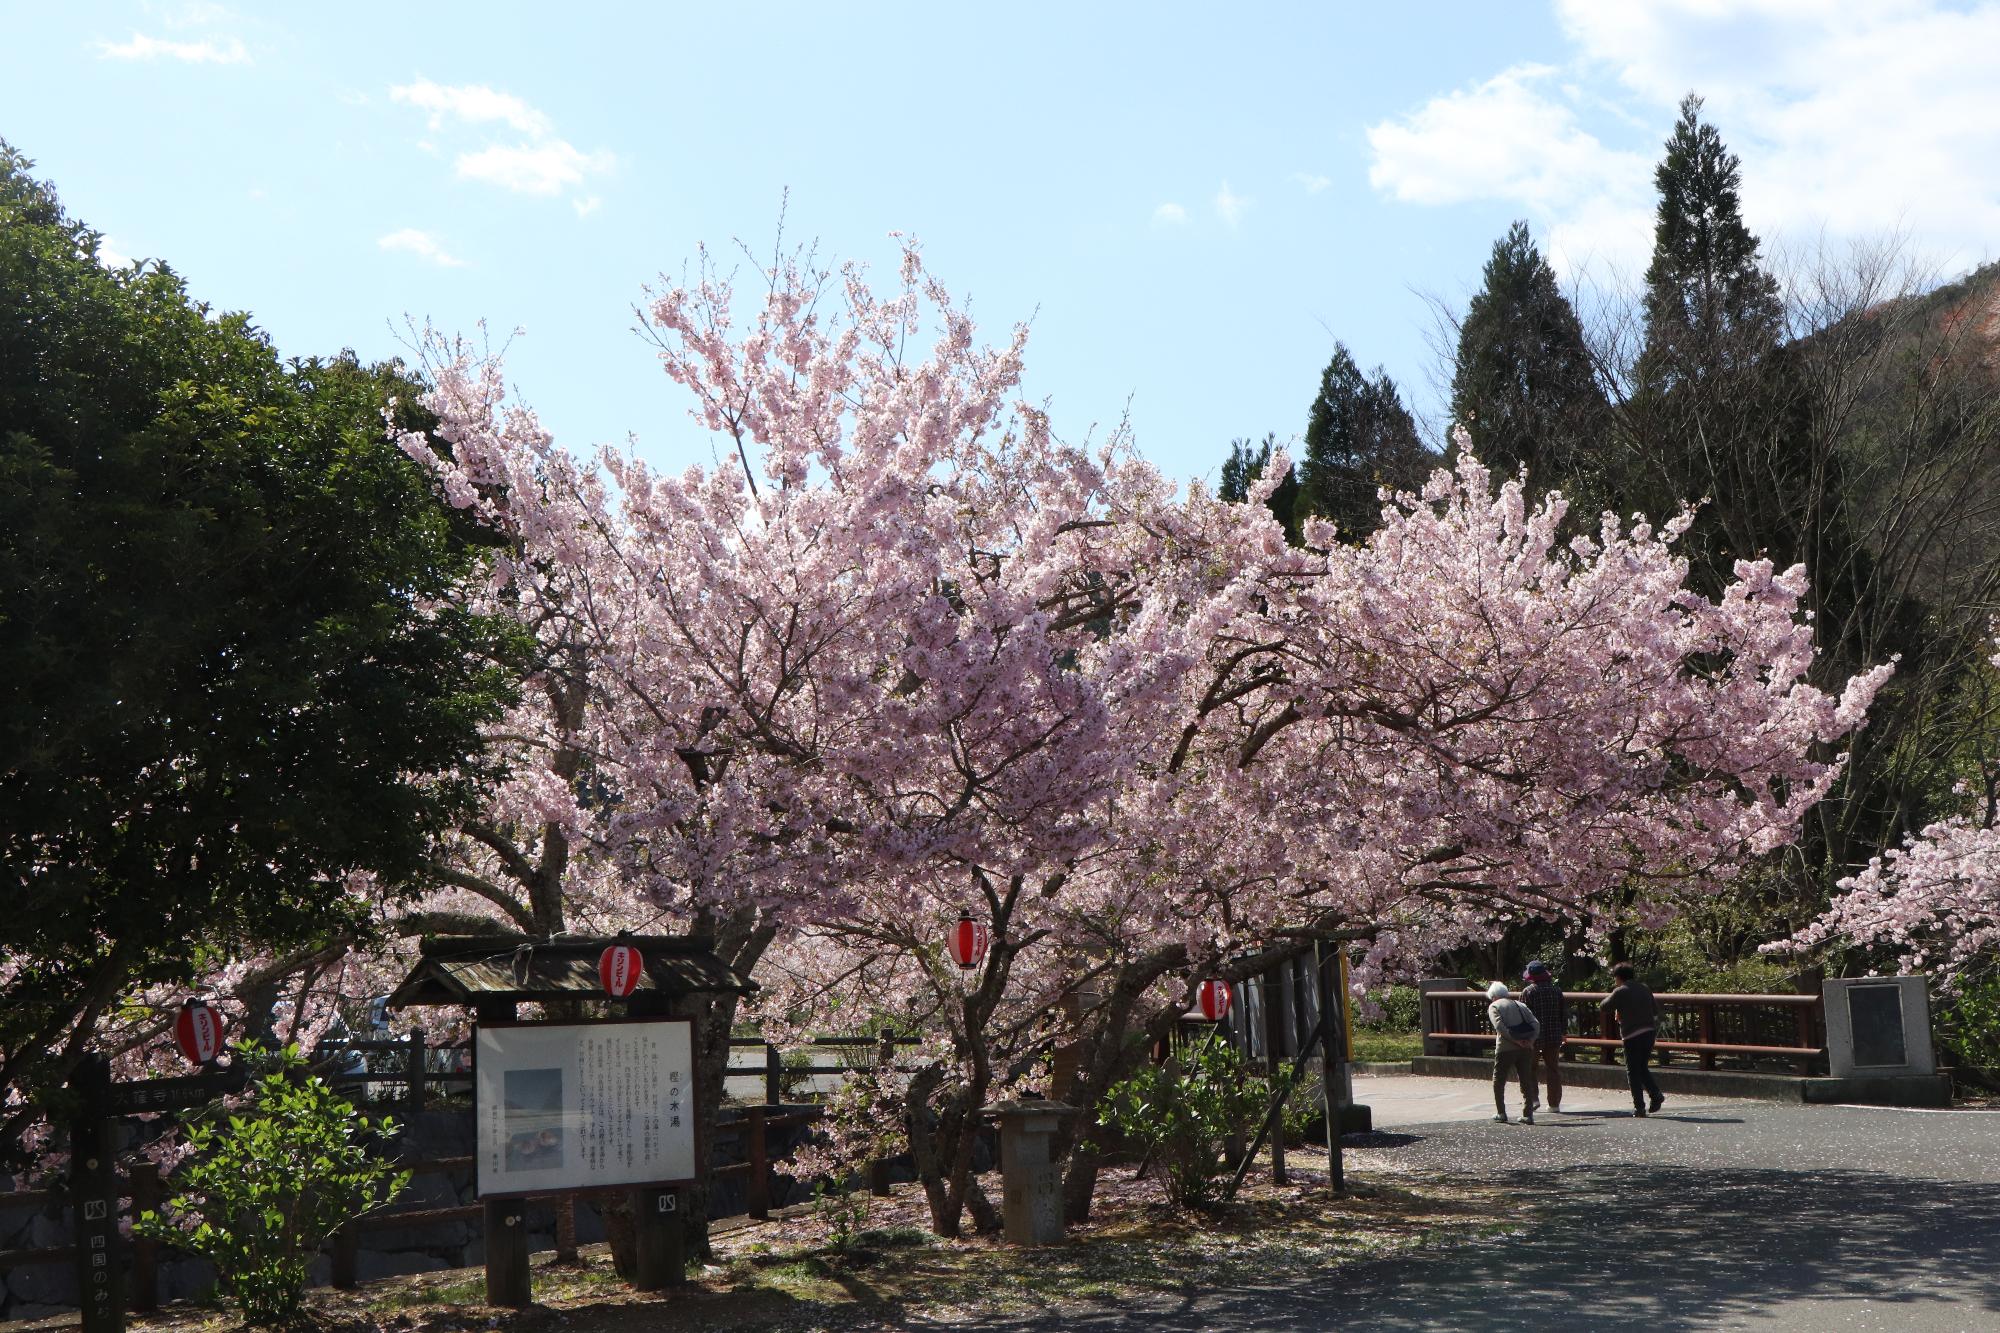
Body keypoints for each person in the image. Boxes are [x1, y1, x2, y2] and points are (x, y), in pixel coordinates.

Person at [1599, 961, 1665, 1116]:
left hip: (1631, 1035)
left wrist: (1618, 1004)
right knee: (1642, 1067)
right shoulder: (1644, 988)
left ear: (1618, 977)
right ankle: (1656, 1095)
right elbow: (1655, 1011)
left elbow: (1603, 1006)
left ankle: (1639, 1107)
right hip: (1649, 1032)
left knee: (1632, 1071)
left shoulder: (1620, 991)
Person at [1485, 980, 1540, 1123]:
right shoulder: (1520, 1005)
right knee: (1525, 1080)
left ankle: (1501, 1112)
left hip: (1505, 1048)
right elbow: (1536, 1024)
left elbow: (1499, 1027)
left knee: (1499, 1080)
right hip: (1526, 1048)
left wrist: (1515, 1041)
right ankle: (1528, 1114)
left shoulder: (1494, 1006)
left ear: (1493, 996)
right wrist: (1530, 1041)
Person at [1519, 960, 1568, 1113]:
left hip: (1533, 1036)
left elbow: (1523, 1016)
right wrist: (1563, 1032)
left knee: (1529, 1068)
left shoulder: (1528, 992)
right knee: (1553, 1069)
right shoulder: (1556, 991)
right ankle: (1554, 1104)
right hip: (1554, 1035)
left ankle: (1533, 1099)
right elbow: (1563, 1014)